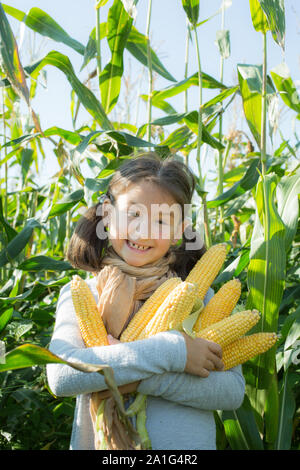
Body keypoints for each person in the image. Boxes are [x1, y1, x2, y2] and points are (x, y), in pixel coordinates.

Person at [46, 152, 245, 450]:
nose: (143, 231)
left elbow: (231, 392)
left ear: (180, 231)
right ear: (108, 216)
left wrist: (141, 380)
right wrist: (174, 352)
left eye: (162, 221)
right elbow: (62, 375)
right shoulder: (83, 293)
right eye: (133, 214)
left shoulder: (198, 295)